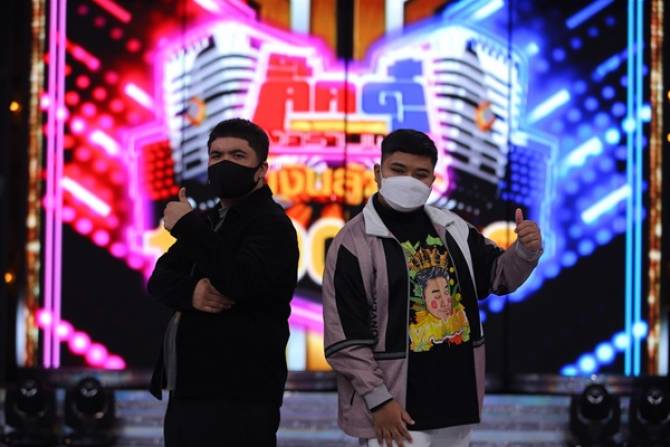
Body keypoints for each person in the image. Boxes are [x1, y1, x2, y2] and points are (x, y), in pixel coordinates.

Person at [322, 129, 543, 447]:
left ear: (431, 180)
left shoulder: (452, 227)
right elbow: (345, 338)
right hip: (396, 412)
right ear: (378, 172)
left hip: (456, 403)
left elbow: (497, 275)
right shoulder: (353, 243)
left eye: (420, 174)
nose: (409, 180)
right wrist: (379, 400)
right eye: (398, 170)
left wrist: (525, 252)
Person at [147, 118, 299, 446]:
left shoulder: (273, 226)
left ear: (261, 169)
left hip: (241, 397)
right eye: (216, 155)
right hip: (188, 391)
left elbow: (239, 281)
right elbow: (159, 280)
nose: (224, 163)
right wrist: (192, 293)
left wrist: (188, 228)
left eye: (237, 155)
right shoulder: (209, 221)